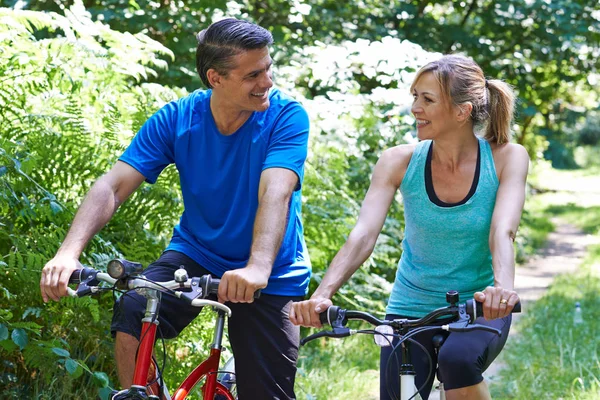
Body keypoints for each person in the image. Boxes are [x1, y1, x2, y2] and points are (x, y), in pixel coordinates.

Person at [40, 18, 311, 400]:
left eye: (268, 69)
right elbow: (113, 186)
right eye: (253, 75)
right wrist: (68, 254)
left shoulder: (286, 116)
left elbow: (276, 192)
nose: (267, 81)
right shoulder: (178, 118)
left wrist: (257, 267)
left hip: (270, 270)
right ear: (215, 78)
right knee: (133, 308)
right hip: (197, 251)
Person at [290, 54, 529, 400]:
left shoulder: (507, 157)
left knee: (457, 359)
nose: (415, 108)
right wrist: (323, 293)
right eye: (414, 96)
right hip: (410, 307)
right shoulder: (397, 161)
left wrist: (502, 291)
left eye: (427, 99)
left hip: (478, 305)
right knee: (397, 392)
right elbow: (363, 234)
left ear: (462, 111)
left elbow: (502, 232)